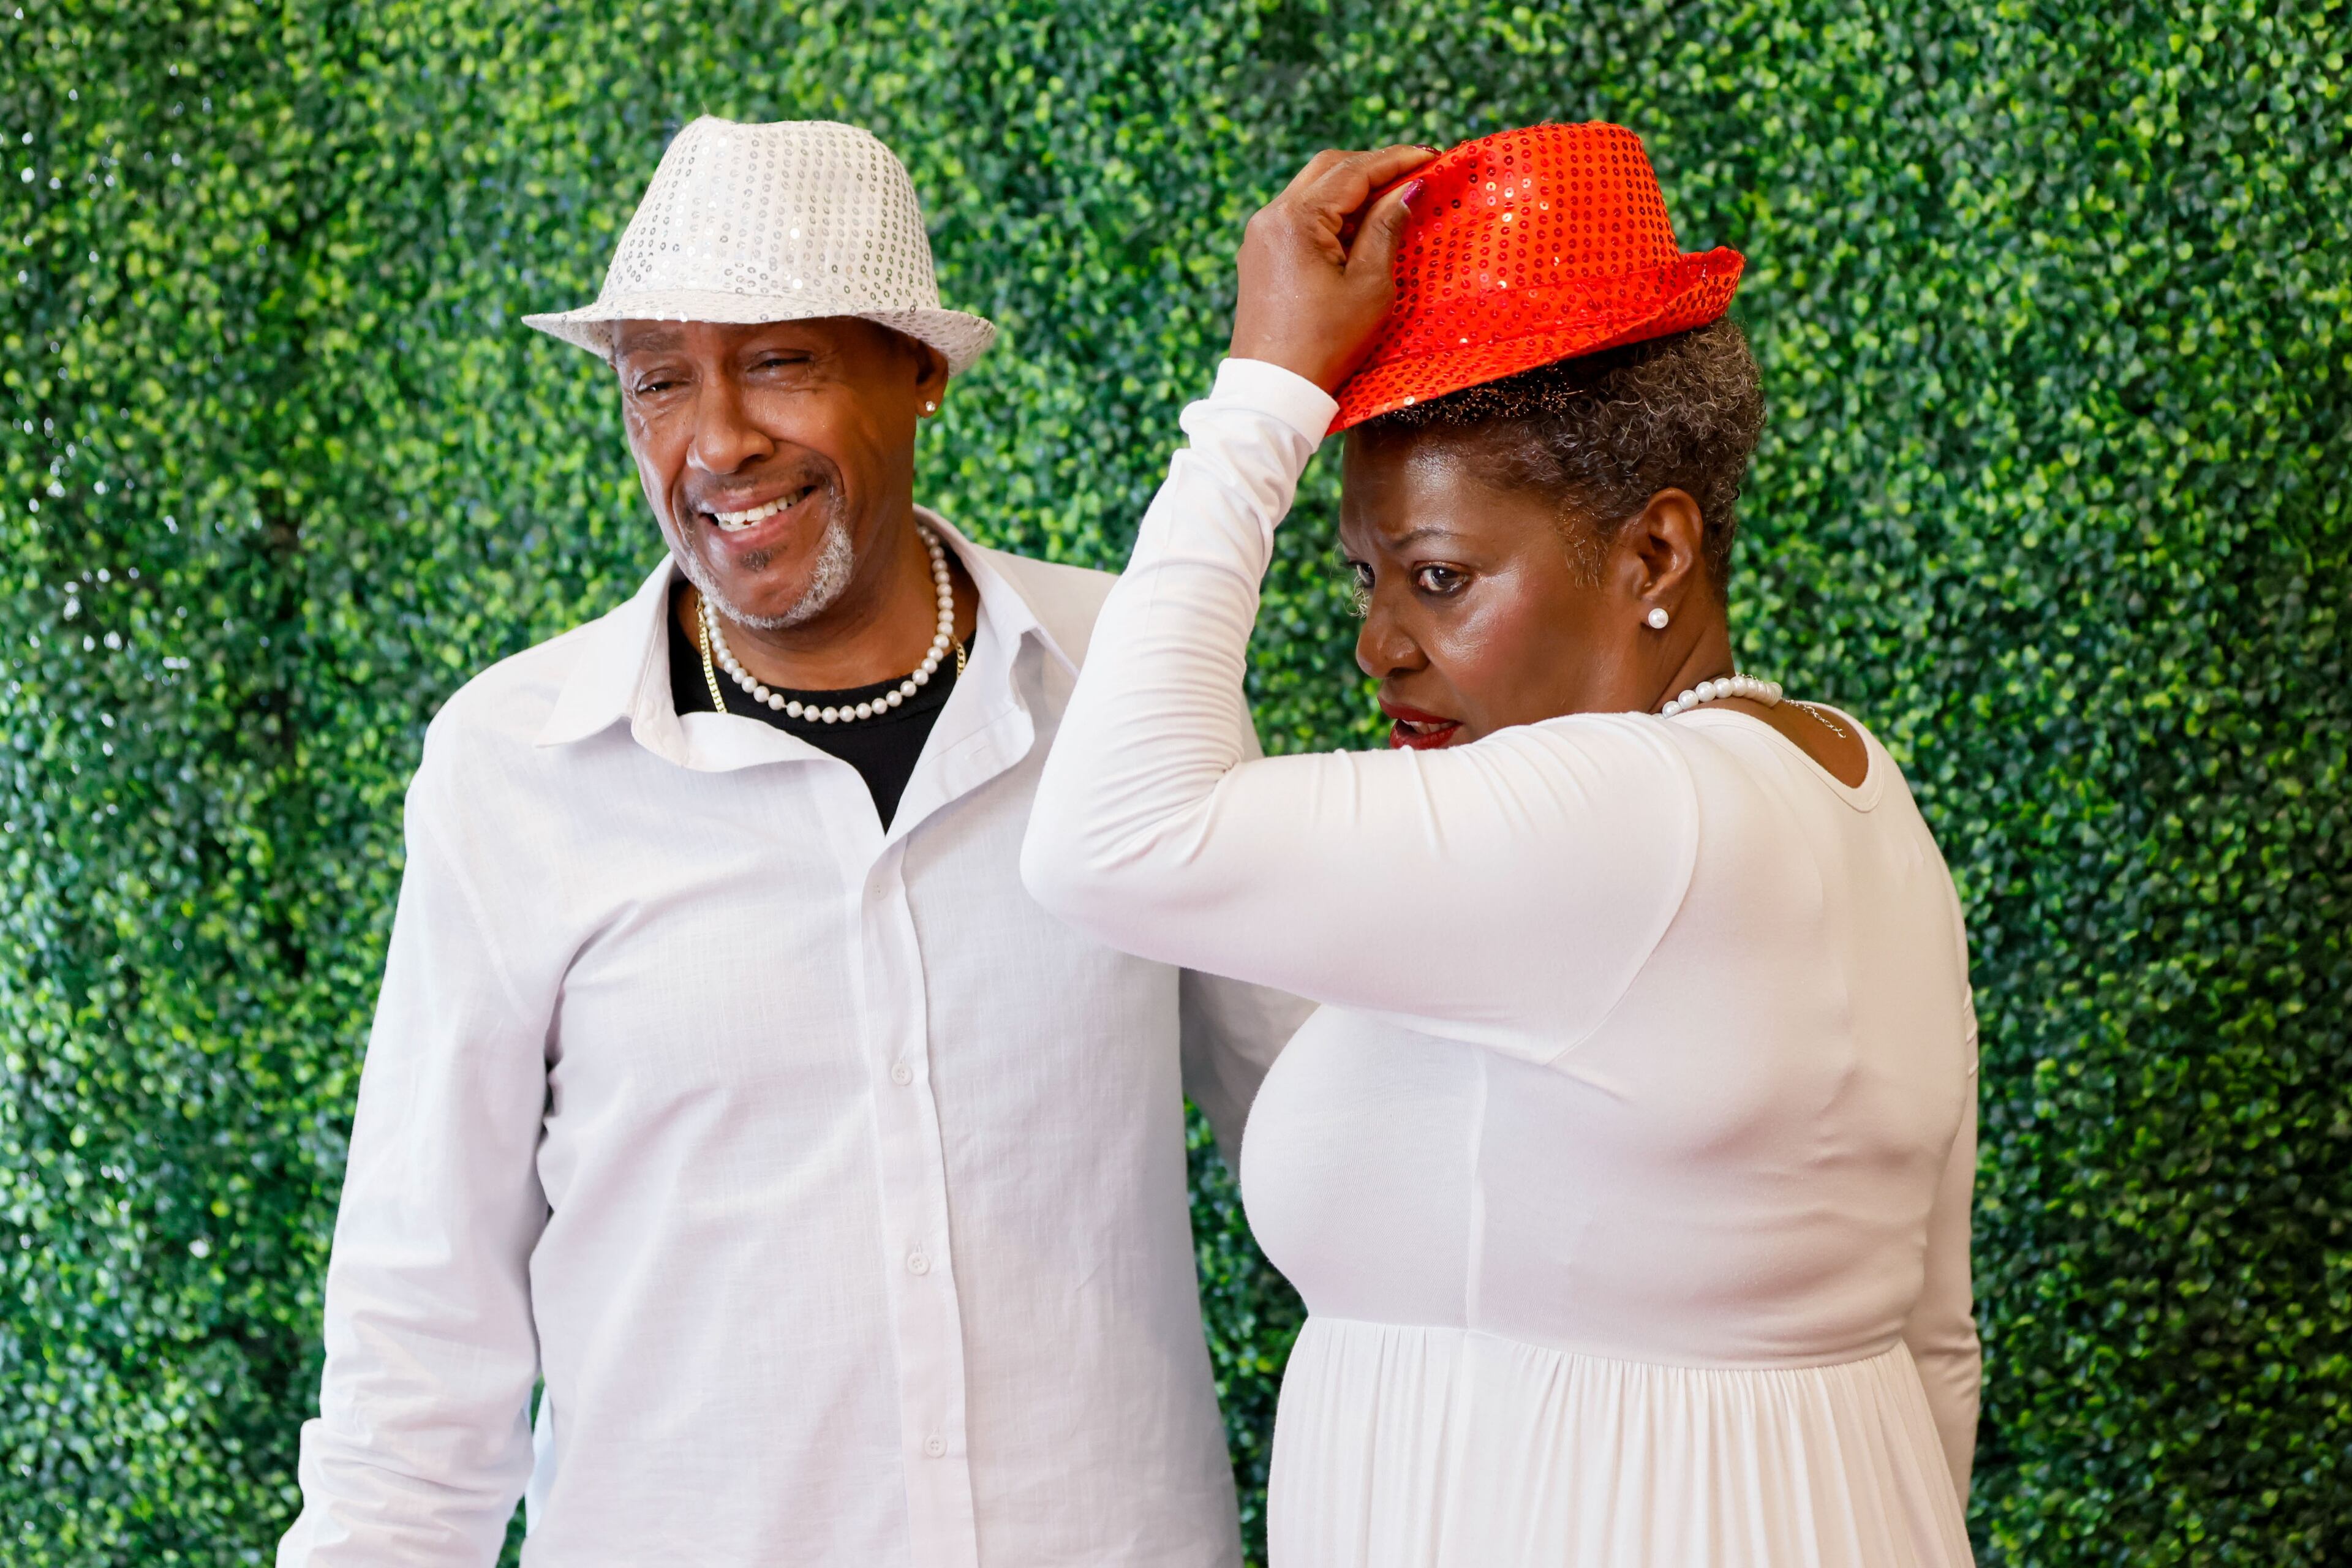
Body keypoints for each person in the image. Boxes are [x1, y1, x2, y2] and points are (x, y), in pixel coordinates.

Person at [278, 116, 1305, 1567]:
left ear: (920, 367)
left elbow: (1324, 1146)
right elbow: (416, 1327)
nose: (716, 442)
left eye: (779, 362)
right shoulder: (513, 767)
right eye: (659, 383)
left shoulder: (1132, 682)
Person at [1021, 124, 1980, 1567]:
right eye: (1363, 576)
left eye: (1441, 579)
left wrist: (1262, 396)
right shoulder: (1852, 789)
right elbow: (1935, 1342)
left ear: (1653, 555)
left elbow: (1110, 834)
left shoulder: (1620, 813)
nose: (1377, 644)